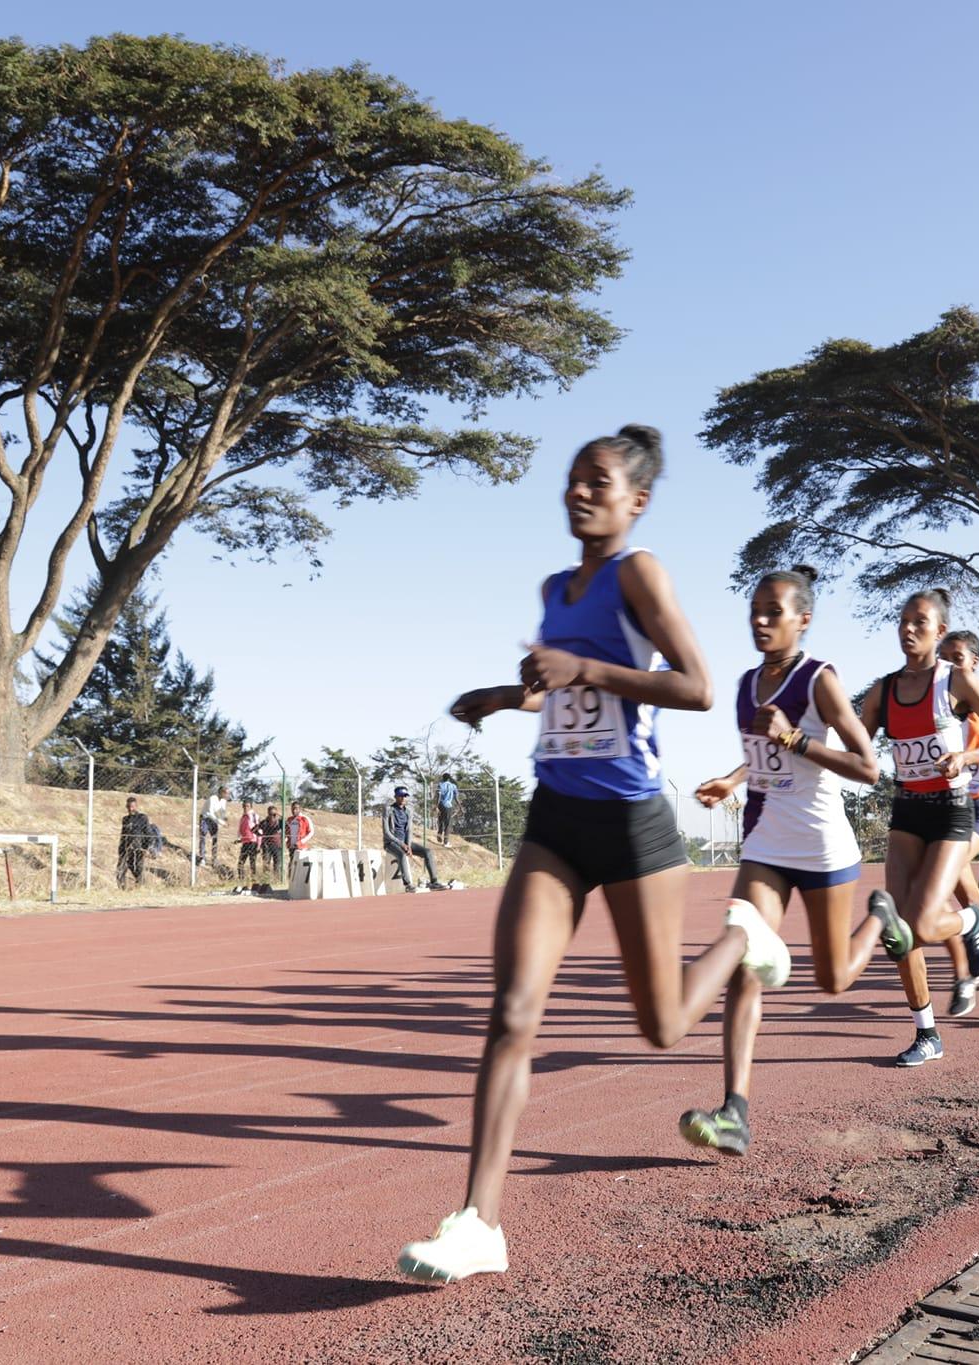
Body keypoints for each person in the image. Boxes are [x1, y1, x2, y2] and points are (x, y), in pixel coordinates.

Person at [398, 423, 790, 1284]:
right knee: (512, 1012)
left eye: (598, 482)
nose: (579, 492)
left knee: (662, 1026)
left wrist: (583, 668)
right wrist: (503, 693)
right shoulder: (555, 586)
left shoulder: (639, 573)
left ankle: (744, 937)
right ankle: (479, 1222)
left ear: (636, 501)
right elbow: (560, 686)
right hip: (556, 817)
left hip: (631, 821)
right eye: (574, 478)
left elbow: (695, 686)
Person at [680, 564, 890, 1155]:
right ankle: (734, 1112)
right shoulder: (746, 684)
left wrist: (797, 738)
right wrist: (732, 778)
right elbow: (764, 756)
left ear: (803, 620)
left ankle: (881, 918)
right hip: (766, 842)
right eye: (755, 610)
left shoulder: (820, 679)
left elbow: (869, 768)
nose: (761, 620)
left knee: (833, 979)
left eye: (774, 612)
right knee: (744, 957)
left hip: (822, 845)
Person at [857, 588, 979, 1065]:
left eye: (920, 623)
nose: (908, 629)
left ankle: (972, 922)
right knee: (898, 930)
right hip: (907, 811)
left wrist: (966, 757)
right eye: (903, 621)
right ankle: (926, 1033)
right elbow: (856, 749)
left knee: (925, 923)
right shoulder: (883, 690)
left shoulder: (957, 680)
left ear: (939, 631)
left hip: (951, 810)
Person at [936, 629, 979, 1018]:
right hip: (945, 808)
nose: (948, 665)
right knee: (964, 897)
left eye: (957, 658)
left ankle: (965, 975)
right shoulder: (936, 704)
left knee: (945, 873)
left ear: (974, 663)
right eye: (943, 658)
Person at [383, 787, 447, 893]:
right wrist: (402, 845)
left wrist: (408, 845)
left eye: (405, 796)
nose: (403, 798)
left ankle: (434, 882)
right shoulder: (389, 810)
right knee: (402, 854)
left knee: (428, 852)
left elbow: (409, 830)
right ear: (395, 797)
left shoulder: (408, 811)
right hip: (391, 843)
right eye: (400, 796)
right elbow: (386, 833)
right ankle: (408, 885)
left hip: (405, 843)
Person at [116, 796, 150, 888]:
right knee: (120, 870)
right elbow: (123, 835)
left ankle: (140, 886)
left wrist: (146, 848)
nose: (130, 809)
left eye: (132, 806)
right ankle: (122, 889)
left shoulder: (142, 818)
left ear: (136, 806)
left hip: (138, 848)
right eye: (128, 807)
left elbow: (148, 833)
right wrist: (120, 848)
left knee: (137, 869)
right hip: (125, 849)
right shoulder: (125, 819)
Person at [234, 800, 260, 894]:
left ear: (251, 807)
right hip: (245, 842)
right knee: (240, 863)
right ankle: (241, 881)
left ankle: (254, 883)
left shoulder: (253, 816)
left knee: (252, 863)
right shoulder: (243, 817)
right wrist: (239, 839)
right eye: (244, 806)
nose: (245, 808)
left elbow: (258, 829)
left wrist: (259, 844)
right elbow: (241, 829)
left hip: (252, 842)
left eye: (248, 806)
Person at [201, 785, 229, 864]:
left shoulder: (223, 801)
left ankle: (214, 859)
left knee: (215, 839)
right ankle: (202, 858)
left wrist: (224, 820)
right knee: (203, 837)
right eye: (226, 793)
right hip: (205, 818)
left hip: (215, 820)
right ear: (221, 793)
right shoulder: (212, 799)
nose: (228, 795)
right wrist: (221, 822)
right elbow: (210, 814)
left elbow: (221, 813)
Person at [258, 805, 283, 890]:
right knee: (266, 864)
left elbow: (287, 826)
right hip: (267, 846)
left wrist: (280, 816)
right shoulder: (264, 822)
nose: (272, 816)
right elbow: (254, 829)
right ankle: (266, 881)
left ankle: (277, 881)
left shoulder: (279, 822)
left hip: (277, 845)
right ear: (268, 814)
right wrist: (260, 835)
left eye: (274, 814)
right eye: (270, 814)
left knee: (277, 864)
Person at [285, 801, 313, 877]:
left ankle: (300, 880)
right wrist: (286, 840)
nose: (294, 810)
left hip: (301, 847)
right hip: (292, 846)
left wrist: (301, 842)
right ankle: (290, 880)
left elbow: (311, 832)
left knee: (300, 864)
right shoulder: (289, 819)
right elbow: (286, 832)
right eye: (292, 808)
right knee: (292, 864)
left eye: (296, 808)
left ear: (300, 809)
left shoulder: (305, 819)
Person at [436, 773, 459, 845]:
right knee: (447, 823)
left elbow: (438, 796)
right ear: (449, 778)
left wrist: (436, 806)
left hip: (441, 805)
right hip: (448, 806)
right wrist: (459, 806)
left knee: (440, 820)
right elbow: (456, 797)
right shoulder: (453, 786)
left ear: (443, 778)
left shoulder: (440, 785)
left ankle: (439, 834)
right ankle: (446, 842)